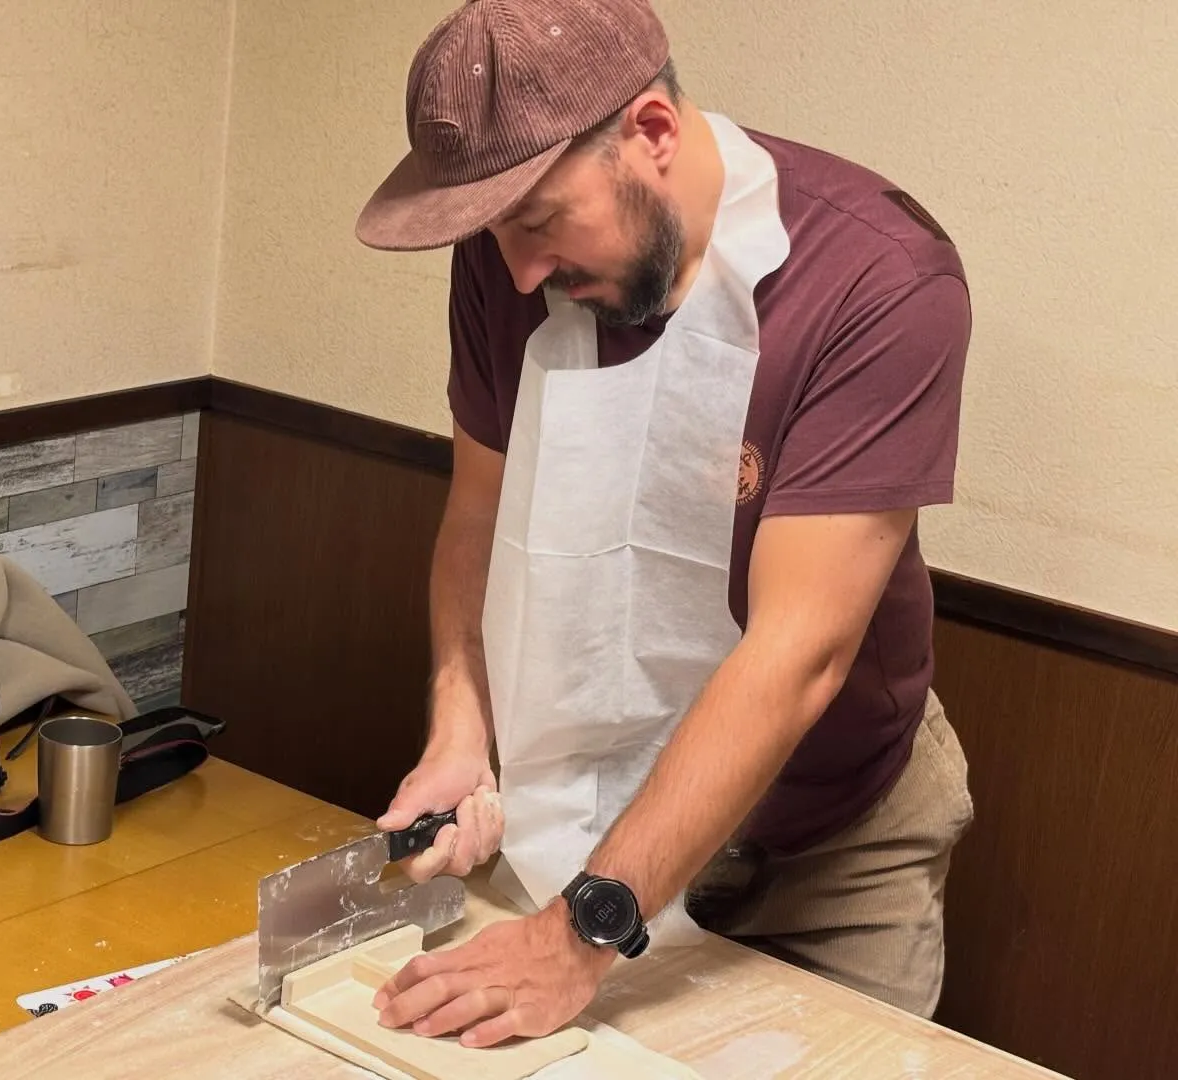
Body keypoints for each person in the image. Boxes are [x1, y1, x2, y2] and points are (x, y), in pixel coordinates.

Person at [353, 0, 975, 1049]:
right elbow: (477, 514)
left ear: (650, 133)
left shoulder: (877, 279)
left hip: (818, 847)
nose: (517, 272)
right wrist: (463, 726)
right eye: (496, 233)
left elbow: (801, 652)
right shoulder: (511, 260)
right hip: (580, 806)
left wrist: (583, 934)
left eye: (543, 221)